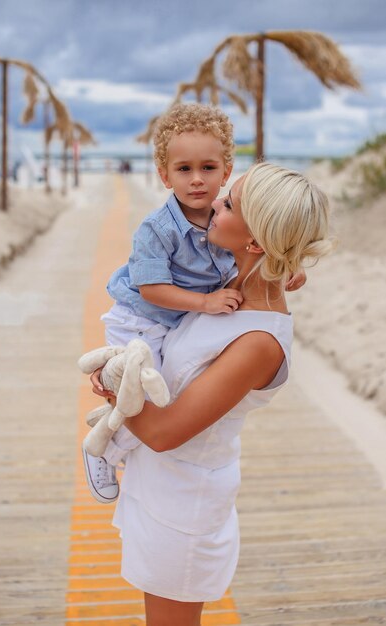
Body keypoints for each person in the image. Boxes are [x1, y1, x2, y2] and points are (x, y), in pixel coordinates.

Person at [89, 161, 334, 626]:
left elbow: (163, 433)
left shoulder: (258, 341)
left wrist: (114, 384)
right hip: (159, 489)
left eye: (227, 204)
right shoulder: (230, 286)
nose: (211, 203)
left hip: (184, 505)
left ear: (256, 240)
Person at [83, 104, 306, 504]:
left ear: (225, 171)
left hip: (185, 492)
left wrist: (290, 267)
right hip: (139, 318)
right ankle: (100, 448)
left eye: (208, 169)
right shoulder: (158, 228)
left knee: (152, 393)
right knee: (144, 391)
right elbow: (151, 290)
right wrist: (205, 303)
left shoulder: (224, 228)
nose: (198, 181)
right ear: (164, 175)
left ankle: (105, 446)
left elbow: (265, 246)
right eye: (184, 170)